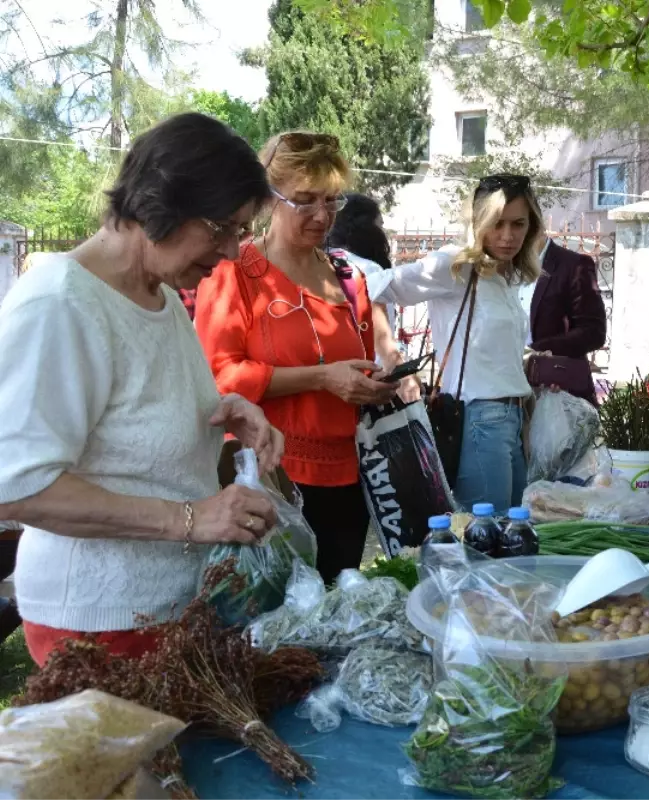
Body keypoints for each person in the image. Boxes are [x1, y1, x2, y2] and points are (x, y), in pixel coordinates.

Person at [0, 113, 284, 666]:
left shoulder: (158, 291)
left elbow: (133, 418)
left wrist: (224, 411)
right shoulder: (60, 303)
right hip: (94, 626)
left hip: (167, 611)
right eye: (221, 227)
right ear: (162, 203)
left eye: (239, 231)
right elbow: (16, 485)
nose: (230, 252)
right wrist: (191, 519)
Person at [194, 131, 395, 585]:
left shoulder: (348, 278)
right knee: (277, 622)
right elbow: (219, 376)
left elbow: (357, 367)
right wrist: (321, 378)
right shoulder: (234, 273)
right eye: (305, 201)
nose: (322, 216)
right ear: (270, 198)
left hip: (349, 478)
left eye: (332, 201)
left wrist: (376, 382)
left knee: (336, 604)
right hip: (272, 479)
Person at [368, 174, 541, 510]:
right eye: (496, 224)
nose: (507, 236)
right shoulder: (456, 264)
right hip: (478, 419)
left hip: (514, 417)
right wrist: (392, 354)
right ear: (478, 223)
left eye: (518, 224)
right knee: (485, 539)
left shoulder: (506, 274)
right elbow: (372, 286)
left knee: (511, 535)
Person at [326, 192, 408, 369]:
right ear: (368, 229)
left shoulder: (322, 261)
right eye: (380, 225)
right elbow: (382, 341)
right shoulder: (369, 270)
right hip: (368, 374)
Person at [522, 234, 607, 405]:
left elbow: (593, 331)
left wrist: (534, 352)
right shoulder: (501, 267)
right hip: (506, 393)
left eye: (518, 223)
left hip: (558, 393)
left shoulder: (573, 265)